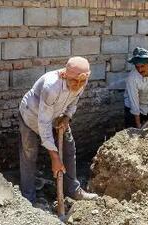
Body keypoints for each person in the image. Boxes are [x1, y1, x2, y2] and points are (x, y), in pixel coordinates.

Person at [18, 56, 98, 204]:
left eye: (82, 81)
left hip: (56, 114)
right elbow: (44, 124)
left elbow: (74, 101)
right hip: (32, 115)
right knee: (29, 153)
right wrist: (55, 158)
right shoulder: (51, 87)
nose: (78, 85)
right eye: (74, 81)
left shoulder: (81, 81)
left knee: (69, 147)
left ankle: (73, 190)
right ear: (65, 74)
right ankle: (28, 198)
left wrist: (67, 117)